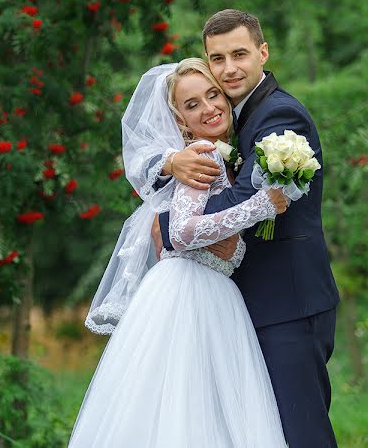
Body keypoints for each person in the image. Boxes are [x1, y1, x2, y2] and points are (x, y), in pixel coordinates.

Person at [71, 59, 289, 447]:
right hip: (189, 294)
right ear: (181, 121)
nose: (208, 108)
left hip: (212, 292)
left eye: (212, 95)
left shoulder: (226, 157)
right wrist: (262, 206)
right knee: (185, 407)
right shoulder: (202, 155)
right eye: (192, 105)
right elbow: (184, 233)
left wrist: (236, 238)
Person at [154, 9, 341, 447]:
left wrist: (168, 224)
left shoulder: (278, 118)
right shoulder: (236, 119)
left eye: (239, 54)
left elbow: (242, 199)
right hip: (257, 303)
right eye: (217, 58)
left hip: (289, 302)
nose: (228, 68)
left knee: (302, 433)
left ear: (263, 52)